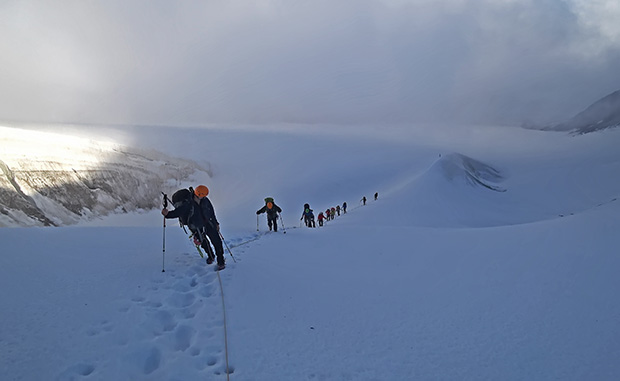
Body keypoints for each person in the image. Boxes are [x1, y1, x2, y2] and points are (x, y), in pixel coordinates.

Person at [162, 185, 226, 270]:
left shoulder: (205, 200)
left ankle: (220, 261)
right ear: (197, 194)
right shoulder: (188, 203)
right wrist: (167, 214)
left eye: (204, 196)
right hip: (196, 227)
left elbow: (211, 212)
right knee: (204, 243)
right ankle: (211, 256)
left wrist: (216, 223)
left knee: (217, 241)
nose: (203, 197)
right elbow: (178, 212)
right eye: (201, 196)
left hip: (208, 224)